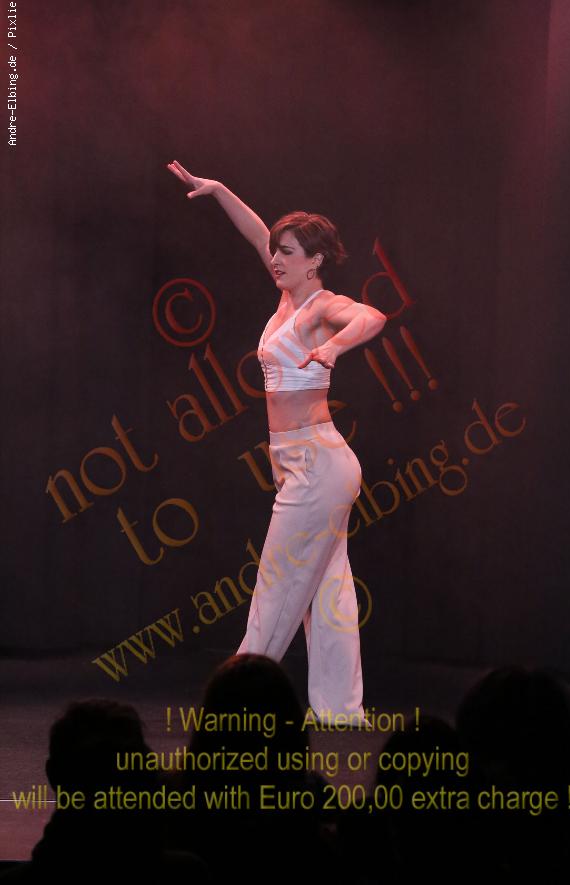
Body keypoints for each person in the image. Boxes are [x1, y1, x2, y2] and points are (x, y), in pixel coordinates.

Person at [166, 162, 386, 725]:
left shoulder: (321, 307)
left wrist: (334, 348)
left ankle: (235, 706)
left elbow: (372, 315)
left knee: (277, 583)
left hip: (318, 464)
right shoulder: (287, 299)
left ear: (315, 260)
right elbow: (257, 232)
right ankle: (341, 711)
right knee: (329, 591)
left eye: (287, 252)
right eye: (276, 252)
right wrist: (219, 191)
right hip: (304, 464)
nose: (275, 258)